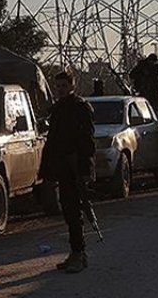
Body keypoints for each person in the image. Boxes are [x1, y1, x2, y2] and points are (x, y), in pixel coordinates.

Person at [40, 72, 96, 273]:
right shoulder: (58, 109)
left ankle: (79, 253)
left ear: (72, 86)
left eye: (64, 85)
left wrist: (84, 169)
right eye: (58, 86)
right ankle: (75, 252)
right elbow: (53, 141)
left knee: (74, 211)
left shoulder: (80, 108)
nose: (60, 89)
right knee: (68, 210)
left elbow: (87, 140)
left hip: (75, 166)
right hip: (62, 167)